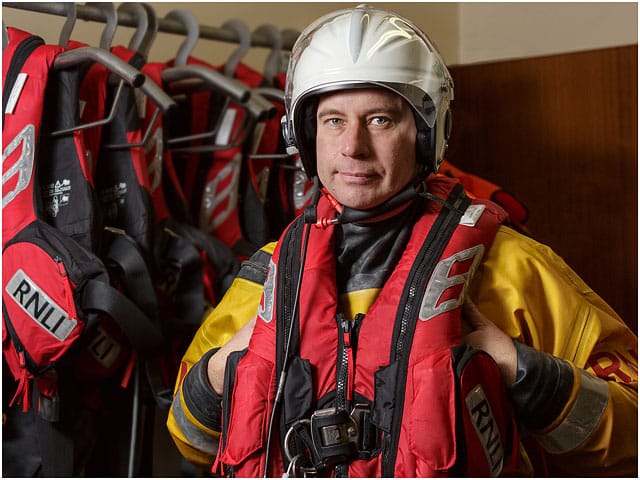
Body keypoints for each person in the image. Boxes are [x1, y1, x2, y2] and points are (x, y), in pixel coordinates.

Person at [167, 5, 638, 477]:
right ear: (304, 136)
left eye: (379, 120)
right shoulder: (269, 275)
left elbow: (630, 424)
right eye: (333, 121)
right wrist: (221, 371)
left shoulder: (515, 267)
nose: (353, 145)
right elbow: (188, 439)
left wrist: (523, 372)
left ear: (428, 133)